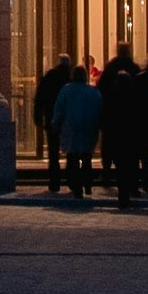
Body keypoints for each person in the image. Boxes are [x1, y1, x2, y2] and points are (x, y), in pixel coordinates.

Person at [101, 42, 148, 208]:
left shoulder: (110, 69)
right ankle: (133, 186)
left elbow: (101, 90)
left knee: (114, 156)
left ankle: (108, 176)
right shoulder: (135, 70)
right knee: (131, 160)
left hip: (114, 127)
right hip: (132, 132)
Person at [47, 57, 104, 202]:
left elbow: (59, 109)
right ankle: (87, 183)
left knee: (72, 157)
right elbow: (99, 108)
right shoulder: (92, 91)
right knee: (86, 158)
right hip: (88, 127)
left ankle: (75, 185)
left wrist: (55, 123)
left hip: (70, 127)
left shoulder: (66, 90)